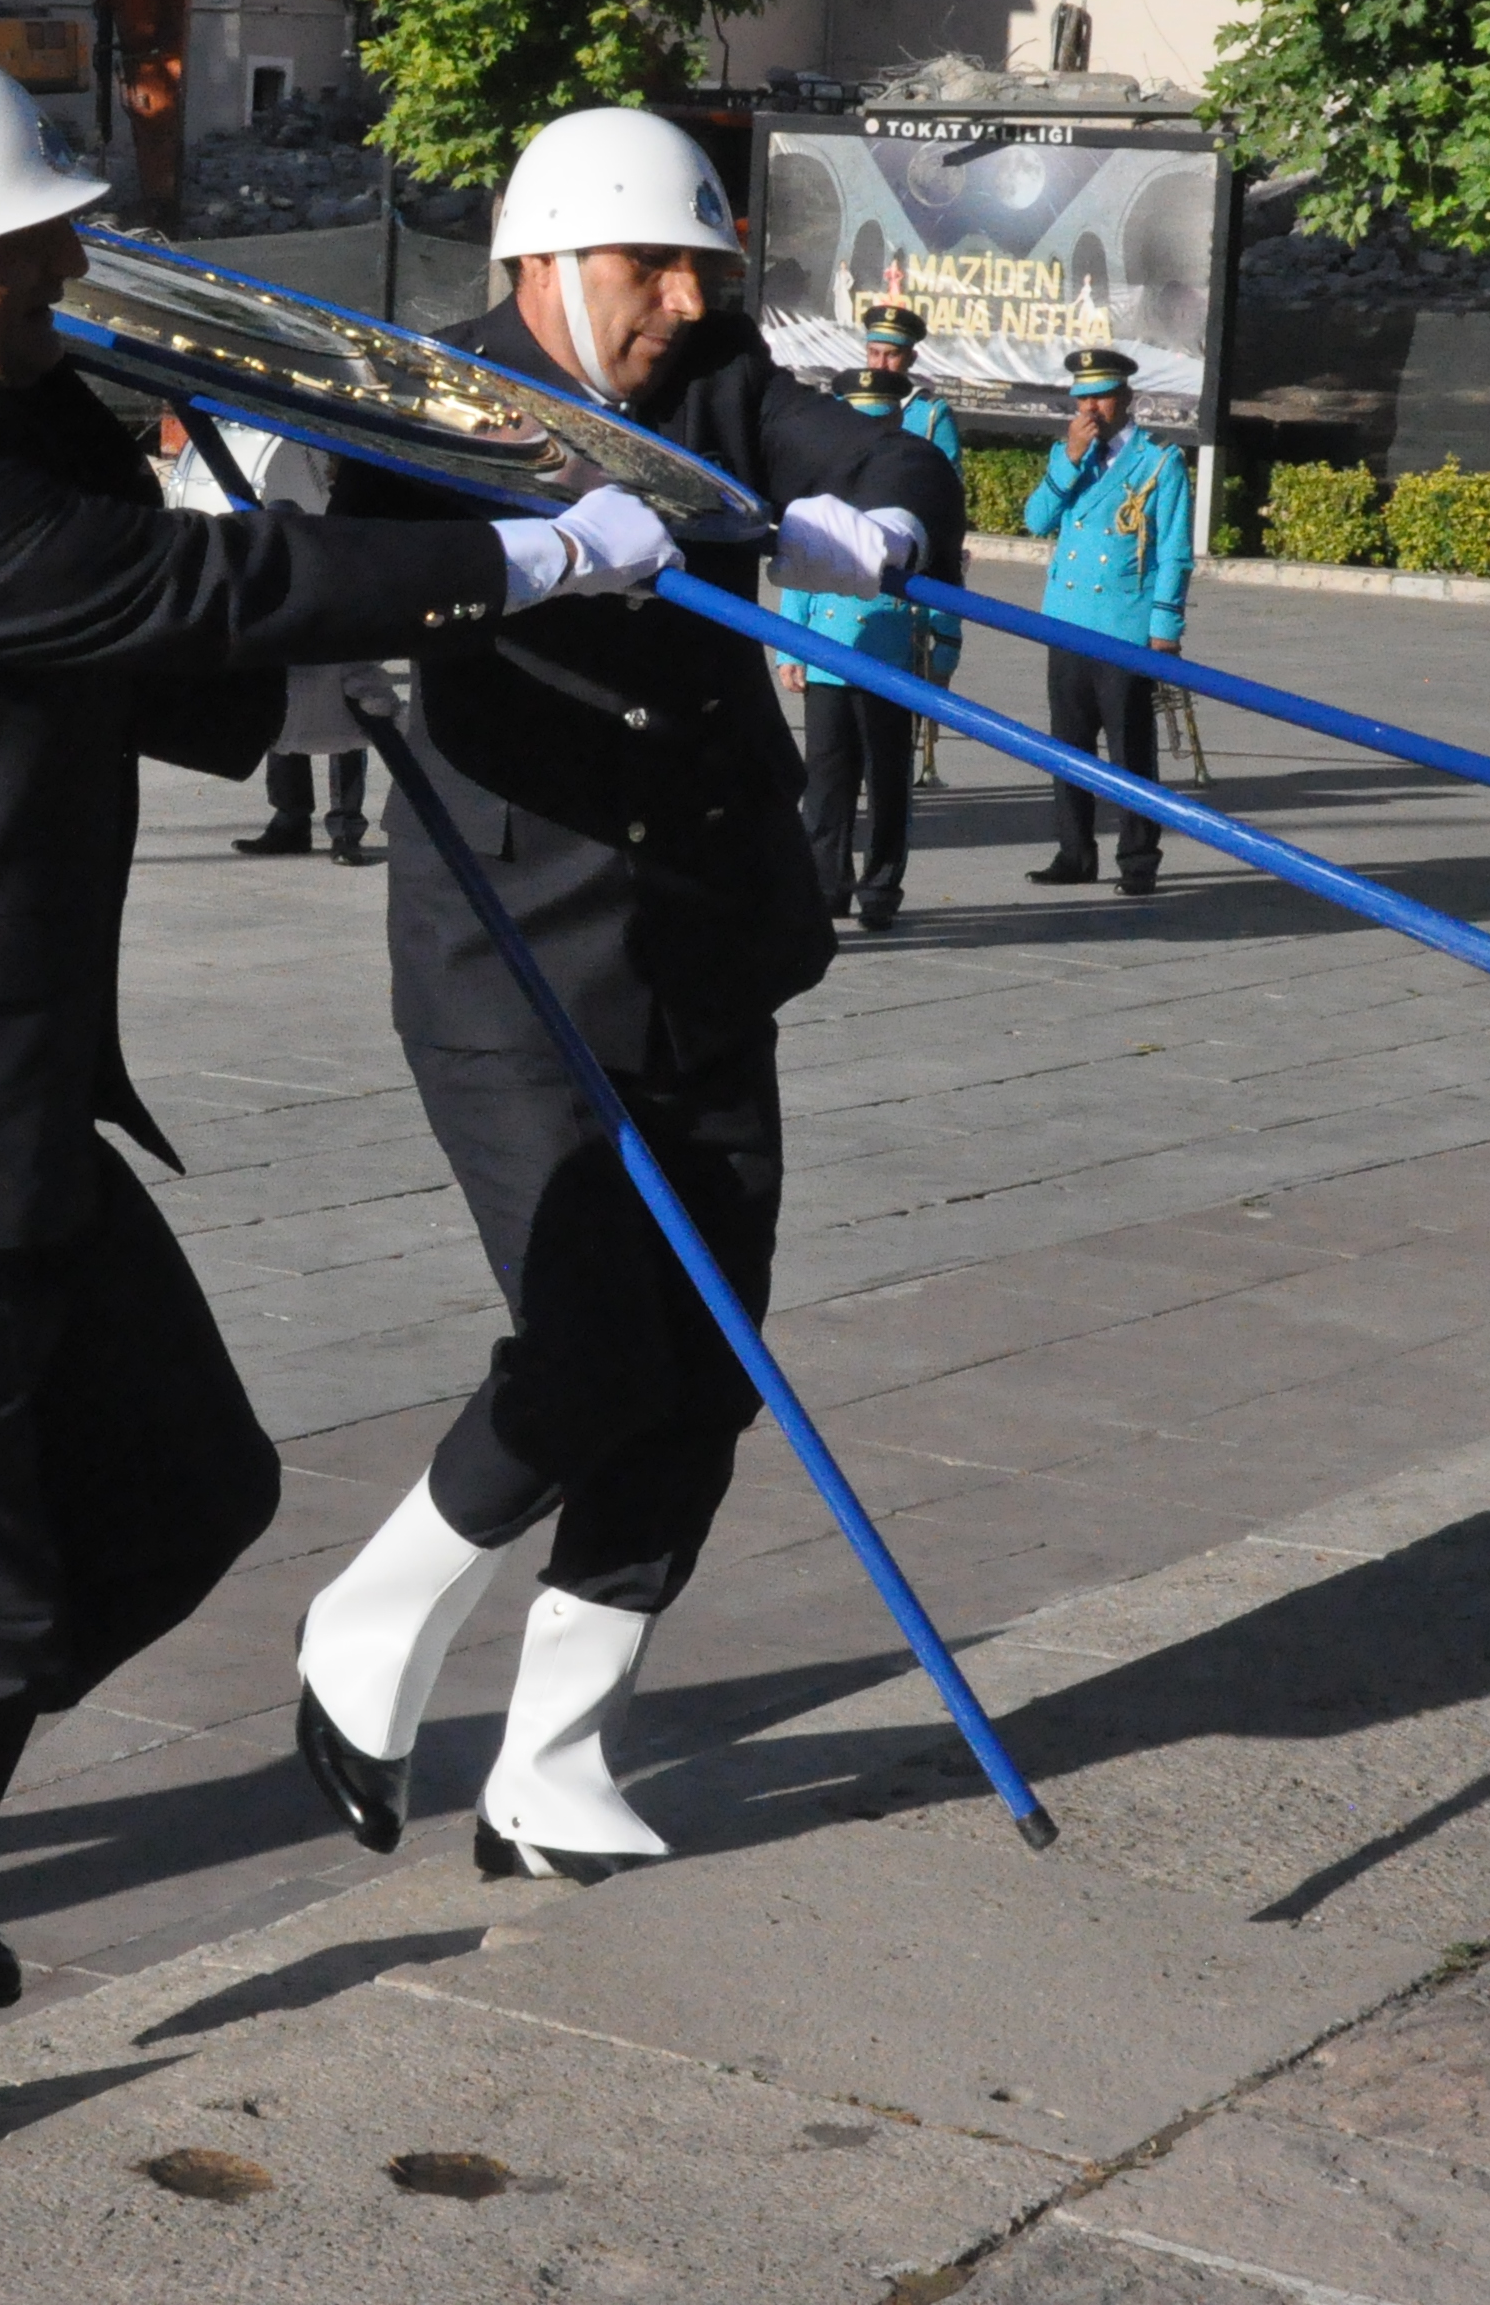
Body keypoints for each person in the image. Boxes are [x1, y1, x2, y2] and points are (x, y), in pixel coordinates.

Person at [0, 43, 672, 2198]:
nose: (67, 265)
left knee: (189, 1487)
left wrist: (364, 589)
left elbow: (188, 638)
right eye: (25, 242)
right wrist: (523, 556)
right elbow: (192, 602)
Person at [295, 107, 967, 1892]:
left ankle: (554, 1757)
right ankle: (370, 1619)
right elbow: (337, 568)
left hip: (704, 938)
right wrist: (509, 552)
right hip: (513, 954)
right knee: (596, 1336)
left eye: (699, 267)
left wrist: (867, 534)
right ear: (538, 264)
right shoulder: (421, 402)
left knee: (706, 1372)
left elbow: (901, 464)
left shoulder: (723, 378)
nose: (681, 298)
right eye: (644, 267)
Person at [774, 319, 963, 930]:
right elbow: (802, 556)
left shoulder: (919, 452)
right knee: (826, 780)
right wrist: (789, 643)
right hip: (829, 642)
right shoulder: (828, 469)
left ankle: (881, 888)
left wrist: (944, 641)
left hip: (891, 640)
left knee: (888, 778)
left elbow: (940, 553)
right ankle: (824, 886)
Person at [1017, 347, 1190, 893]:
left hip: (1123, 622)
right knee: (1067, 745)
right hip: (1067, 620)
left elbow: (1175, 551)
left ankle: (1138, 858)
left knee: (1130, 750)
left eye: (1102, 395)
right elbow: (1036, 520)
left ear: (1127, 398)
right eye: (1082, 397)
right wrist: (1069, 457)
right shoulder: (1070, 454)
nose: (1091, 407)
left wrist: (1165, 627)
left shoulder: (1159, 462)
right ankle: (1074, 852)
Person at [169, 419, 379, 863]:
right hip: (289, 566)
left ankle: (345, 829)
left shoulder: (354, 455)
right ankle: (291, 820)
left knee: (348, 707)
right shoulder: (292, 443)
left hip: (342, 572)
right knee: (280, 698)